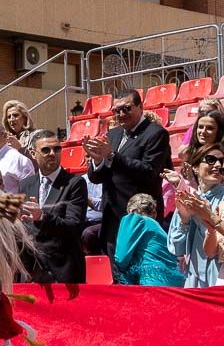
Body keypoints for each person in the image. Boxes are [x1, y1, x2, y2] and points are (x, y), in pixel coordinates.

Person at [84, 88, 172, 267]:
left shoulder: (156, 134)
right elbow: (96, 177)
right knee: (117, 273)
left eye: (126, 108)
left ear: (140, 107)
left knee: (141, 272)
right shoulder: (113, 134)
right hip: (113, 218)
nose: (121, 114)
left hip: (140, 217)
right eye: (117, 110)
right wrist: (97, 160)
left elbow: (148, 171)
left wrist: (112, 156)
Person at [19, 130, 87, 283]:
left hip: (62, 270)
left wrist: (42, 217)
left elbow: (74, 226)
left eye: (57, 149)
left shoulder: (75, 184)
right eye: (45, 150)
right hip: (32, 270)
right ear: (32, 153)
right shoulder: (26, 184)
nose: (52, 153)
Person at [167, 145, 224, 288]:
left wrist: (205, 217)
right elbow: (177, 249)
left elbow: (216, 246)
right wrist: (184, 220)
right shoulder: (187, 197)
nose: (218, 165)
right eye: (211, 160)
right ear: (196, 168)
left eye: (222, 161)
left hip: (218, 273)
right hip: (192, 275)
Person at [114, 194, 185, 287]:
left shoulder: (136, 220)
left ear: (131, 210)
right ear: (154, 213)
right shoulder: (158, 229)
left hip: (152, 281)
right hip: (174, 282)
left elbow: (121, 258)